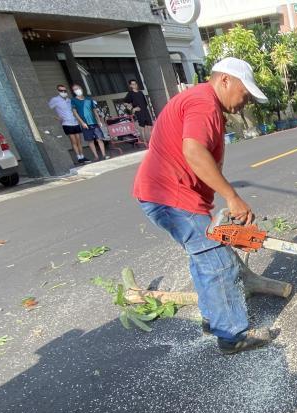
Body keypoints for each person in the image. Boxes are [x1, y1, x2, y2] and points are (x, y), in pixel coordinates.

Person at [132, 57, 271, 354]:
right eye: (244, 94)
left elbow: (200, 158)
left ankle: (214, 319)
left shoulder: (199, 100)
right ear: (225, 81)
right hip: (171, 197)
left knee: (203, 257)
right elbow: (193, 151)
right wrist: (232, 197)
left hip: (164, 196)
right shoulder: (204, 103)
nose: (244, 102)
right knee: (218, 262)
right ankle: (233, 336)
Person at [47, 84, 89, 164]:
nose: (63, 92)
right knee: (73, 141)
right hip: (66, 123)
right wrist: (57, 118)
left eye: (64, 90)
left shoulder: (69, 100)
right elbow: (46, 109)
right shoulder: (55, 100)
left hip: (75, 122)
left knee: (79, 140)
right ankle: (78, 157)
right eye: (61, 90)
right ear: (57, 91)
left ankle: (82, 156)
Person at [70, 84, 109, 161]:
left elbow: (94, 110)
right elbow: (75, 113)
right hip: (85, 124)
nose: (77, 90)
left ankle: (104, 155)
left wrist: (98, 120)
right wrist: (82, 123)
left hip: (94, 122)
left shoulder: (89, 99)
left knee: (99, 139)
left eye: (78, 88)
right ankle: (96, 156)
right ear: (73, 92)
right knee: (90, 140)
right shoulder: (73, 100)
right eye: (75, 89)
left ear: (81, 88)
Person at [123, 79, 153, 144]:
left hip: (145, 111)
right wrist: (133, 109)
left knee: (150, 126)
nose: (134, 85)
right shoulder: (130, 94)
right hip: (139, 113)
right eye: (133, 84)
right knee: (142, 127)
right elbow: (125, 103)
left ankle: (152, 141)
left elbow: (145, 103)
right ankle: (145, 142)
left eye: (135, 84)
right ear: (130, 85)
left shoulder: (140, 92)